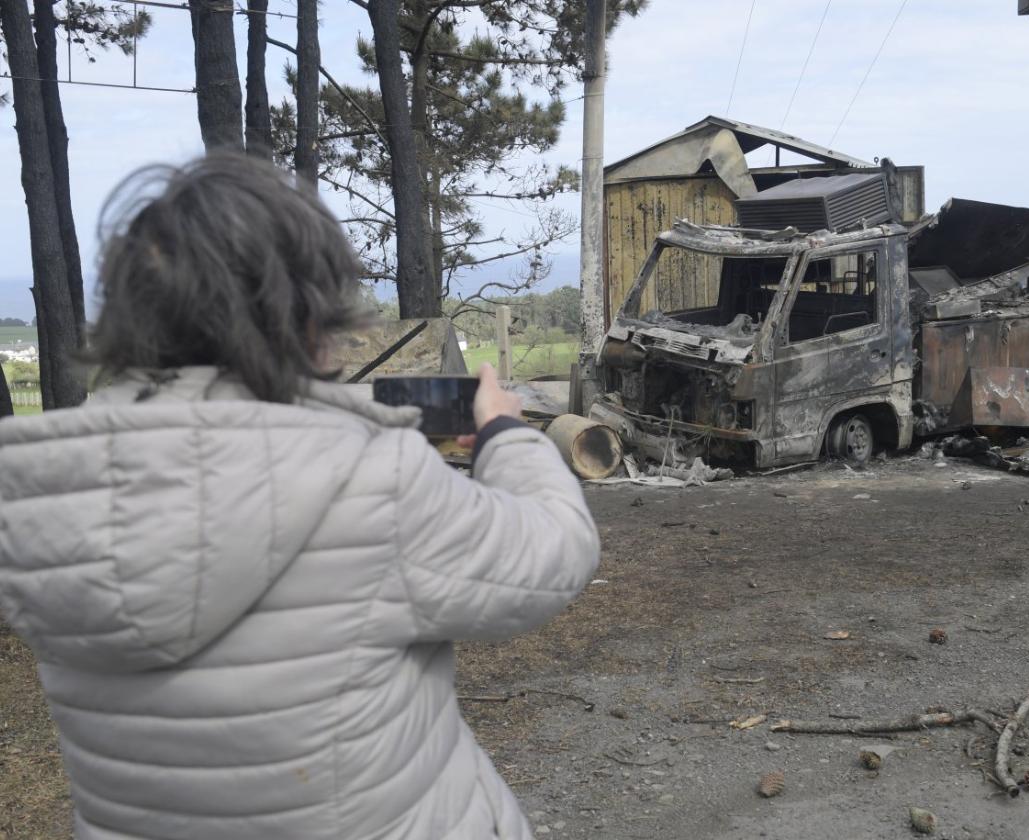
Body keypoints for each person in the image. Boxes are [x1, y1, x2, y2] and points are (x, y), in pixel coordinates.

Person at [0, 154, 599, 840]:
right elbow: (553, 553)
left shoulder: (48, 494)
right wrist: (504, 436)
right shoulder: (373, 477)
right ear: (307, 313)